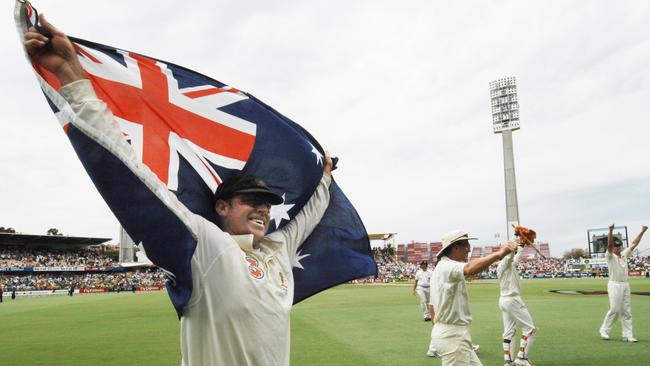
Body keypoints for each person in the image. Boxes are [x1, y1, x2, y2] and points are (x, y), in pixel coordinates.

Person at [25, 17, 334, 366]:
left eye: (268, 204)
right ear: (221, 207)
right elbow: (133, 175)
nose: (264, 209)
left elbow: (306, 218)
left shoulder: (277, 252)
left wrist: (323, 178)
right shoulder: (206, 247)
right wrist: (72, 75)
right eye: (251, 201)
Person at [427, 230, 518, 365]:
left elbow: (432, 307)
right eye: (466, 245)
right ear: (455, 247)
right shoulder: (447, 266)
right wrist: (500, 253)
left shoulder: (442, 268)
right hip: (453, 335)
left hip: (450, 333)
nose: (469, 249)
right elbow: (469, 269)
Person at [599, 224, 647, 342]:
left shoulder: (624, 254)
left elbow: (635, 243)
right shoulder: (609, 256)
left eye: (619, 247)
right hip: (614, 284)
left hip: (625, 285)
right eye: (616, 247)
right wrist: (610, 230)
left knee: (627, 311)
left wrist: (642, 231)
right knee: (615, 309)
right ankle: (604, 330)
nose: (618, 249)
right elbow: (609, 245)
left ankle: (627, 335)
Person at [497, 245, 537, 366]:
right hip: (512, 300)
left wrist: (520, 247)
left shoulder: (508, 265)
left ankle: (508, 361)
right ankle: (522, 358)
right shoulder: (504, 263)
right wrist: (515, 241)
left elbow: (515, 259)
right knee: (530, 330)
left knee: (509, 332)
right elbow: (510, 256)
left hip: (504, 300)